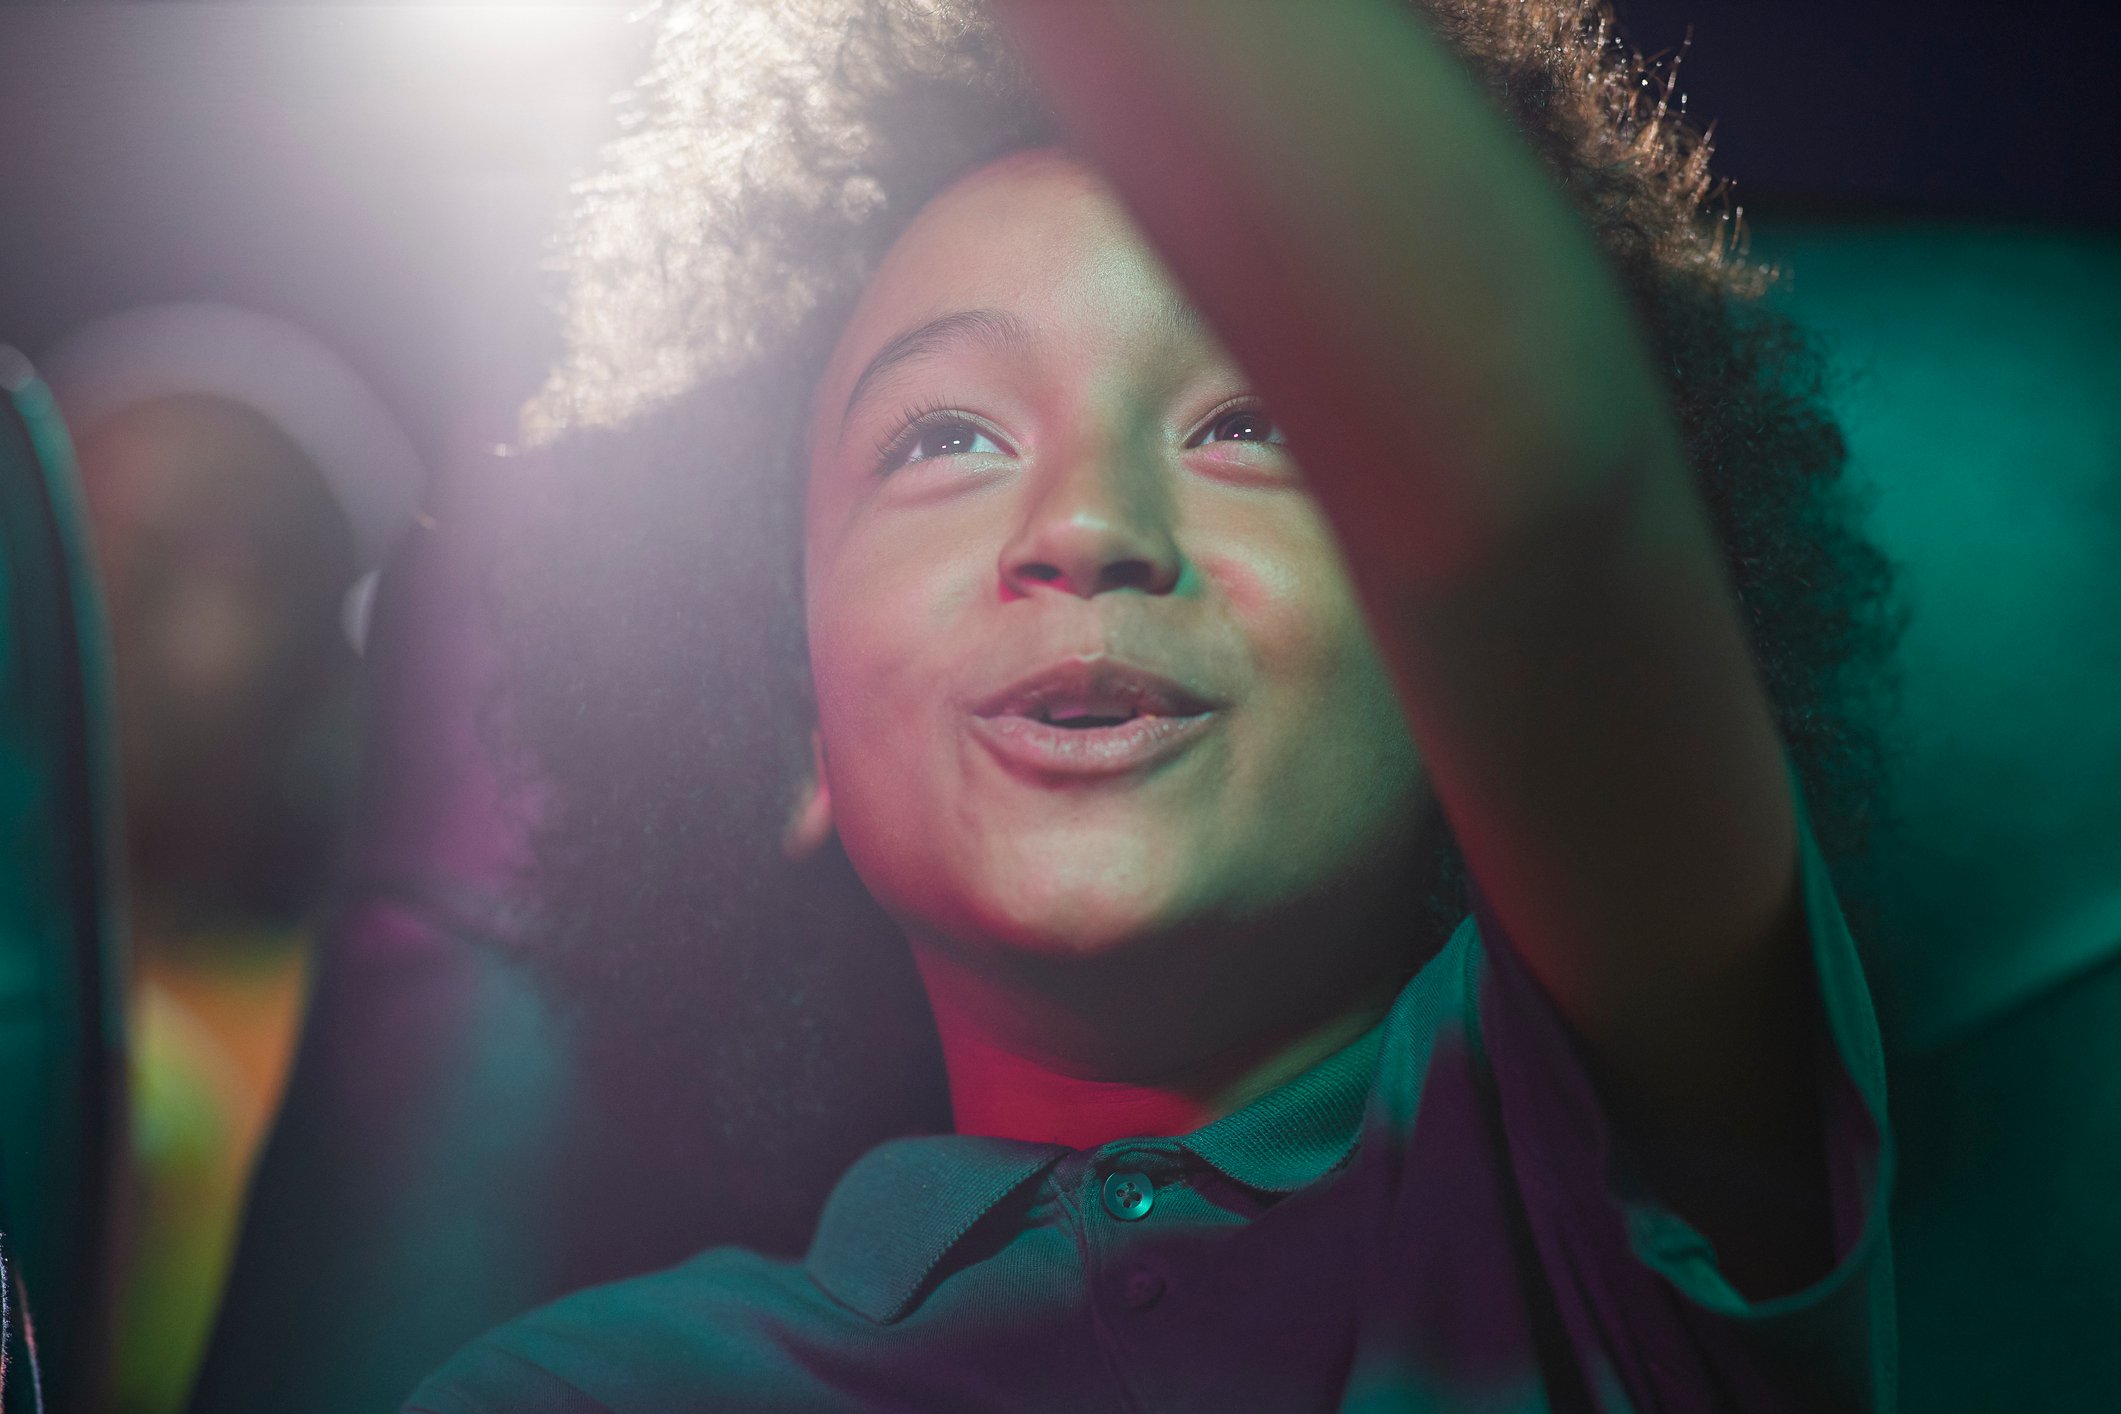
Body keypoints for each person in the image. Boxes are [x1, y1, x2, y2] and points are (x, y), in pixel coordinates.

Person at [410, 0, 1901, 1408]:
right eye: (943, 438)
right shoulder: (579, 1389)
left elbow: (1544, 496)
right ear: (785, 713)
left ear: (1457, 658)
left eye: (1252, 422)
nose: (1086, 521)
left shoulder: (1613, 1185)